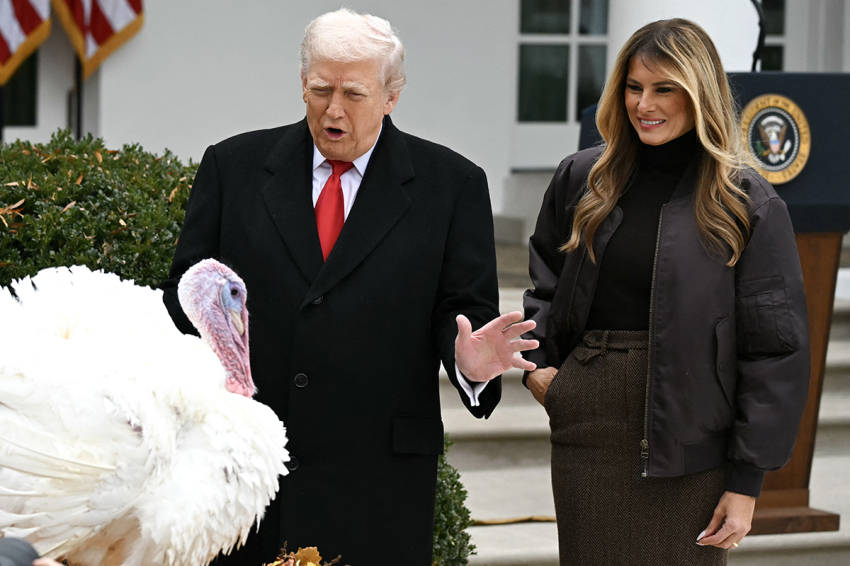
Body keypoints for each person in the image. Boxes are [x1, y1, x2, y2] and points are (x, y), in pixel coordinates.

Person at [160, 8, 537, 566]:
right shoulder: (232, 168)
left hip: (378, 486)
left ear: (392, 95)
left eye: (354, 93)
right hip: (247, 477)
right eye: (320, 90)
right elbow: (182, 299)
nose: (333, 110)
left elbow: (462, 314)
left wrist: (470, 364)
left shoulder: (452, 186)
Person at [522, 19, 810, 566]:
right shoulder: (583, 178)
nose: (643, 104)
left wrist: (747, 481)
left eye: (664, 88)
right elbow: (545, 286)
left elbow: (775, 350)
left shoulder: (744, 200)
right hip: (590, 426)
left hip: (693, 438)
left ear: (698, 92)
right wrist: (542, 368)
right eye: (634, 87)